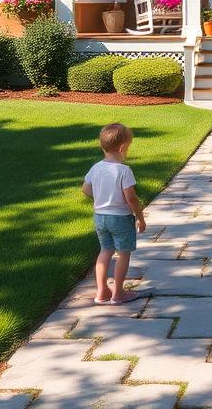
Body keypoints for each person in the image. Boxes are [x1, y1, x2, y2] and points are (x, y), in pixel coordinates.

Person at [81, 122, 146, 305]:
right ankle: (118, 293)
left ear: (103, 146)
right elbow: (131, 197)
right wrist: (140, 218)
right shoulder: (124, 171)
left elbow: (85, 189)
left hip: (100, 217)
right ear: (123, 147)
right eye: (128, 148)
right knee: (123, 253)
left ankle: (101, 292)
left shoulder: (96, 168)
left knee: (105, 251)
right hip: (121, 218)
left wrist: (102, 197)